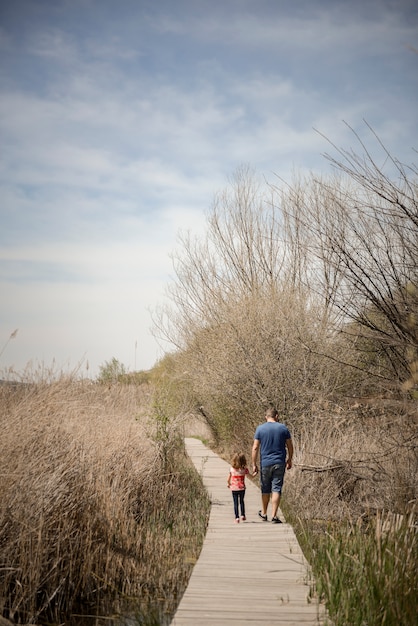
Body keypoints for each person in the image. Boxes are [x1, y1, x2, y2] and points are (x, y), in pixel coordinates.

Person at [251, 407, 293, 524]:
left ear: (266, 417)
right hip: (279, 462)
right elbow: (290, 446)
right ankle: (274, 515)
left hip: (265, 463)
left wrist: (254, 464)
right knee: (276, 488)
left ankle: (264, 513)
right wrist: (289, 459)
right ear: (277, 416)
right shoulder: (283, 428)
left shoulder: (260, 429)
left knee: (265, 488)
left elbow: (255, 448)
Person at [227, 452, 250, 523]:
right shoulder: (244, 470)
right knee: (241, 501)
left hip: (234, 488)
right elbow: (251, 476)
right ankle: (243, 515)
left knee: (235, 503)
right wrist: (255, 473)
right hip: (242, 488)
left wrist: (229, 484)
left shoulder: (232, 469)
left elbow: (228, 479)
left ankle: (237, 517)